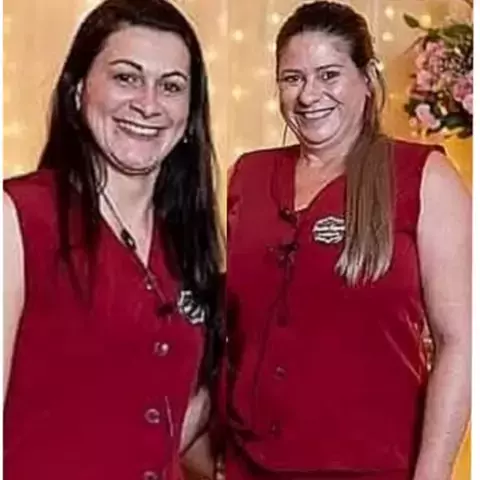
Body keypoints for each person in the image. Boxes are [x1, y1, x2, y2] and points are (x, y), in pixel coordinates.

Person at [224, 2, 471, 480]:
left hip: (374, 467)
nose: (308, 94)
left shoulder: (424, 177)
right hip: (246, 465)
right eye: (292, 78)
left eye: (329, 75)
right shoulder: (245, 176)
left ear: (367, 78)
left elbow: (459, 342)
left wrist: (433, 472)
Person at [3, 1, 223, 479]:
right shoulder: (17, 217)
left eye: (171, 86)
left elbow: (167, 419)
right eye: (126, 77)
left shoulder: (188, 243)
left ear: (190, 113)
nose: (148, 103)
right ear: (78, 89)